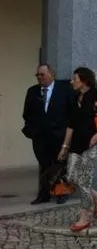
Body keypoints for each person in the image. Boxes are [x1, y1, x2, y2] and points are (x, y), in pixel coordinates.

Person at [57, 67, 97, 232]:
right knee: (71, 176)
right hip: (76, 146)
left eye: (74, 79)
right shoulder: (74, 98)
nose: (71, 81)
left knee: (84, 181)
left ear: (84, 81)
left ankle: (84, 217)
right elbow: (71, 125)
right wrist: (64, 147)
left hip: (93, 146)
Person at [21, 63, 74, 204]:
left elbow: (71, 112)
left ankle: (61, 192)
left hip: (59, 135)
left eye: (42, 74)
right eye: (37, 75)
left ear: (51, 74)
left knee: (59, 165)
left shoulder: (64, 89)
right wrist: (33, 128)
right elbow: (26, 113)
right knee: (44, 165)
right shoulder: (32, 91)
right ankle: (44, 194)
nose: (39, 77)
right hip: (40, 137)